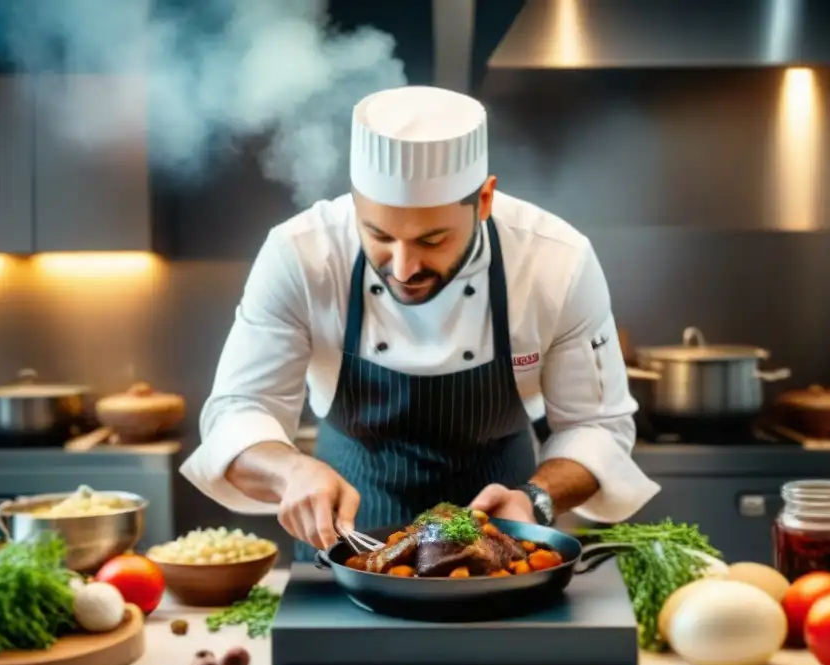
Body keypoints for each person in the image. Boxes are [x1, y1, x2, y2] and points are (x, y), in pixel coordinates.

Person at [181, 85, 660, 561]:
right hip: (348, 539)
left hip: (501, 537)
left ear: (485, 200)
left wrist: (535, 498)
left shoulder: (556, 261)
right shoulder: (301, 254)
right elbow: (237, 412)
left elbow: (598, 426)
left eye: (432, 240)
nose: (404, 267)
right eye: (379, 235)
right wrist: (291, 472)